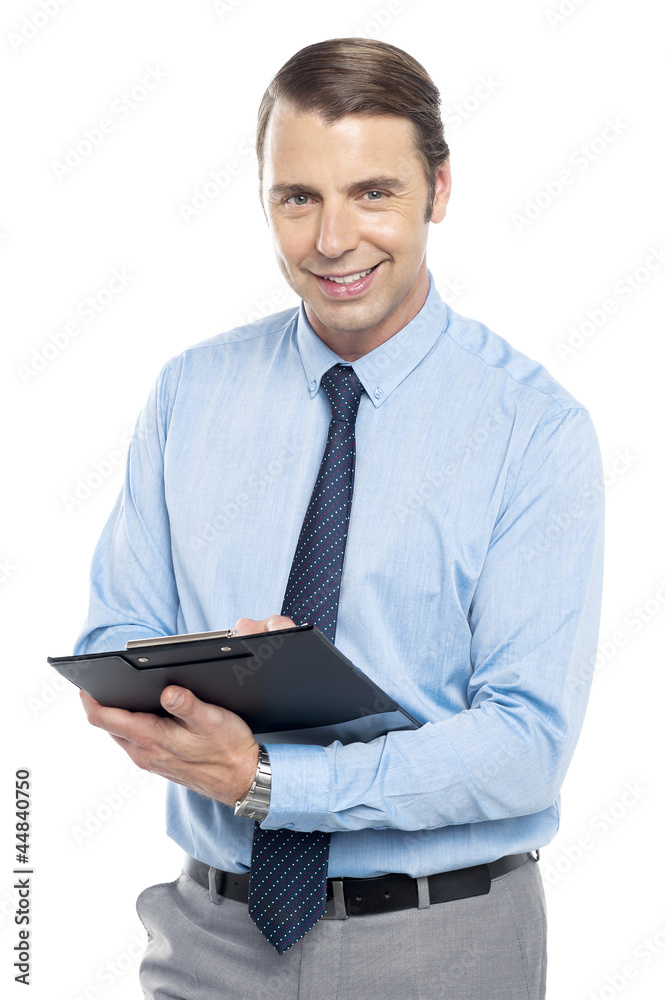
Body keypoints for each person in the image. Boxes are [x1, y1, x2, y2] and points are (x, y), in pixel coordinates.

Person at [75, 37, 604, 999]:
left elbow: (525, 744)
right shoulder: (190, 395)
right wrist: (206, 679)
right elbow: (116, 639)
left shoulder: (533, 430)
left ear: (437, 190)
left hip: (442, 943)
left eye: (373, 193)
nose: (331, 240)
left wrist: (270, 778)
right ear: (266, 200)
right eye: (298, 198)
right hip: (207, 941)